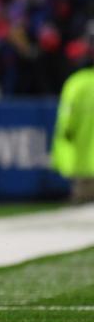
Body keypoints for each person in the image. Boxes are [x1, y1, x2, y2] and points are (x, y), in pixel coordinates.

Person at [51, 40, 94, 202]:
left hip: (81, 149)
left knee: (82, 196)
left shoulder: (75, 83)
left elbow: (68, 112)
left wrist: (67, 130)